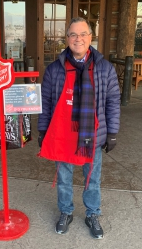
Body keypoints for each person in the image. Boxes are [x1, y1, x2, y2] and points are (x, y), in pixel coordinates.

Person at [37, 17, 120, 239]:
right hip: (63, 134)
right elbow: (46, 102)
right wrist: (43, 131)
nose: (78, 38)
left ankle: (92, 213)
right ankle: (66, 211)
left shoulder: (104, 68)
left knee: (92, 177)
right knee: (64, 177)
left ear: (90, 37)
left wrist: (112, 132)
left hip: (92, 134)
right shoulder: (55, 69)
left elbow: (112, 102)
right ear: (67, 39)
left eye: (83, 34)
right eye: (73, 34)